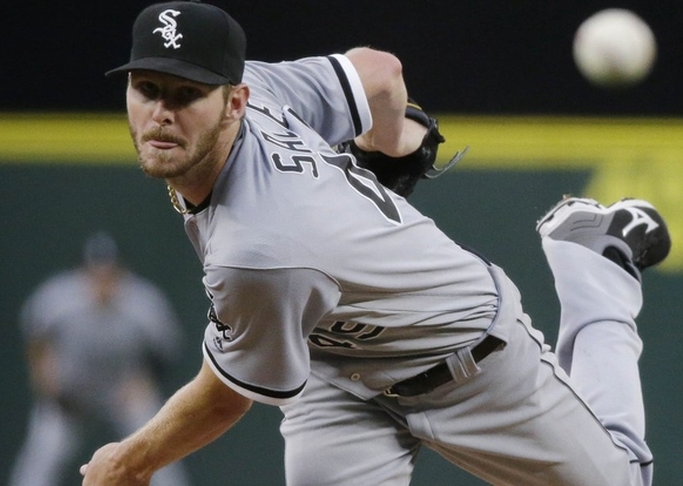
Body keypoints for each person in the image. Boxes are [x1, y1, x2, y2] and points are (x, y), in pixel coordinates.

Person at [81, 1, 672, 484]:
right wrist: (394, 142)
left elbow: (223, 399)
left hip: (467, 363)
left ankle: (592, 259)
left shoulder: (259, 250)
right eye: (147, 87)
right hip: (335, 367)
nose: (161, 112)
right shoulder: (256, 89)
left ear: (235, 102)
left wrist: (128, 463)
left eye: (186, 94)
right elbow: (381, 71)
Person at [9, 232, 190, 486]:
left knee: (159, 448)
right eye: (94, 273)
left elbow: (166, 349)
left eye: (109, 273)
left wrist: (144, 380)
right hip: (70, 394)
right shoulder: (58, 298)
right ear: (81, 273)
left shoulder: (142, 302)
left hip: (121, 393)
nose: (102, 281)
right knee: (44, 453)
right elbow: (35, 334)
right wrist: (44, 374)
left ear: (122, 272)